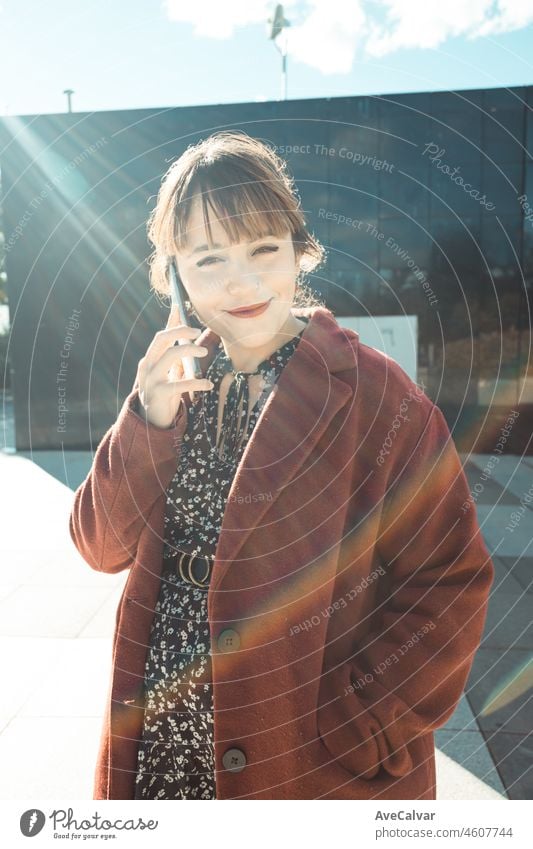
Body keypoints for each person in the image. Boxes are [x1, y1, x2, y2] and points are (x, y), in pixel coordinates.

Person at [69, 130, 494, 801]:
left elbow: (449, 577)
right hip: (161, 737)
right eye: (207, 259)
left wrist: (369, 719)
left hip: (302, 754)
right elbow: (100, 545)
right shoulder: (173, 381)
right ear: (173, 271)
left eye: (263, 249)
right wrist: (145, 419)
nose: (240, 281)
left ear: (299, 251)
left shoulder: (375, 393)